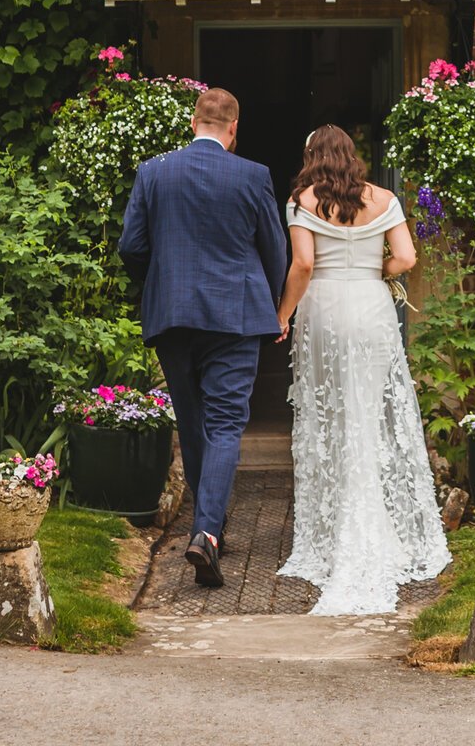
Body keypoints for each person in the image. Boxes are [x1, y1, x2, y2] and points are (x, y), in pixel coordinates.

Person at [273, 124, 451, 615]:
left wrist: (284, 313)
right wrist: (377, 270)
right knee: (366, 418)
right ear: (352, 156)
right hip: (371, 309)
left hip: (325, 310)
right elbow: (407, 258)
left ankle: (335, 534)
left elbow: (303, 264)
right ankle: (377, 524)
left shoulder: (301, 201)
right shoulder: (385, 199)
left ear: (311, 156)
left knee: (331, 419)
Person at [117, 86, 286, 590]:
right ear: (233, 129)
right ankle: (207, 532)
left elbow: (131, 246)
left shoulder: (154, 172)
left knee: (193, 423)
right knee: (227, 422)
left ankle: (206, 526)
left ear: (194, 123)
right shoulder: (253, 175)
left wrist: (162, 280)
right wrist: (275, 307)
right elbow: (274, 250)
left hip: (173, 314)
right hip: (235, 315)